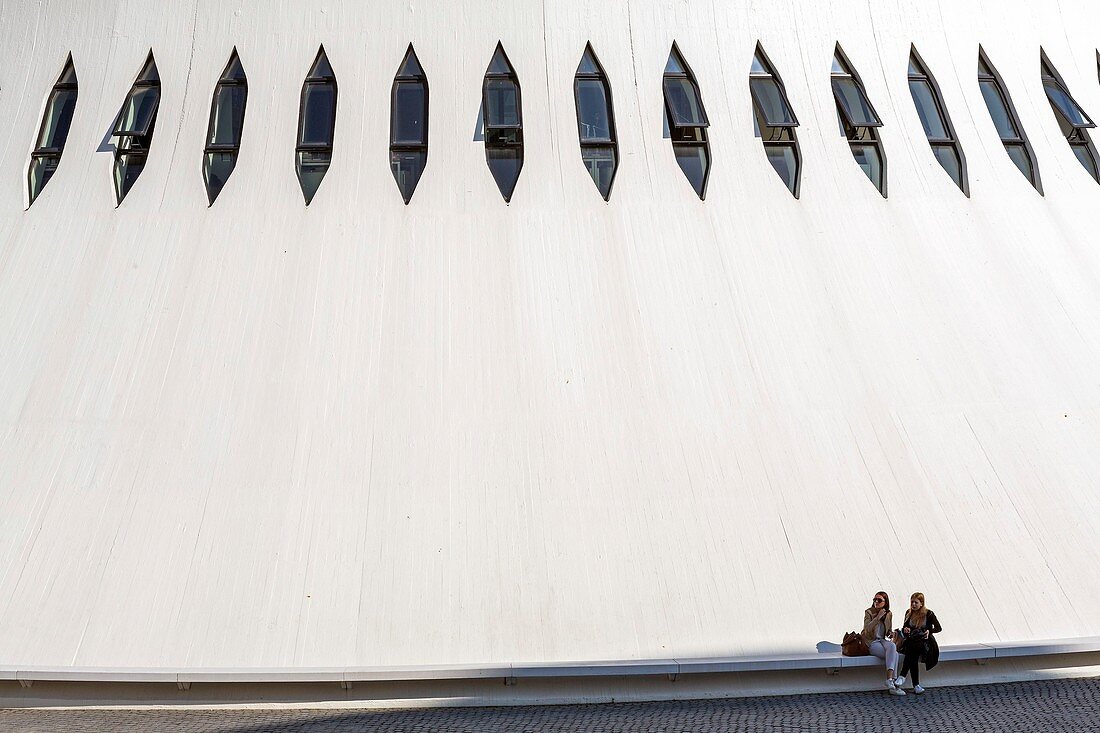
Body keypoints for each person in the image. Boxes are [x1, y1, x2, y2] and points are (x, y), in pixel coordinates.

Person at [895, 592, 942, 694]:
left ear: (921, 603)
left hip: (925, 642)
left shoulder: (929, 614)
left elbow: (938, 628)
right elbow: (904, 628)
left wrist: (929, 631)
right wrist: (906, 629)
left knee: (912, 650)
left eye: (916, 602)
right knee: (913, 656)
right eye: (912, 602)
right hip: (912, 641)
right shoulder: (909, 613)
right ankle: (916, 685)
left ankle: (902, 675)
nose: (913, 605)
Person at [863, 591, 905, 695]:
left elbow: (888, 631)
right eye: (875, 600)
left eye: (879, 600)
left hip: (882, 640)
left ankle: (890, 681)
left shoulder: (888, 614)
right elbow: (867, 630)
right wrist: (877, 618)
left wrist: (891, 633)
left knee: (892, 646)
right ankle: (893, 683)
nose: (876, 602)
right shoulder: (869, 612)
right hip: (871, 642)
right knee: (893, 653)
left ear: (885, 602)